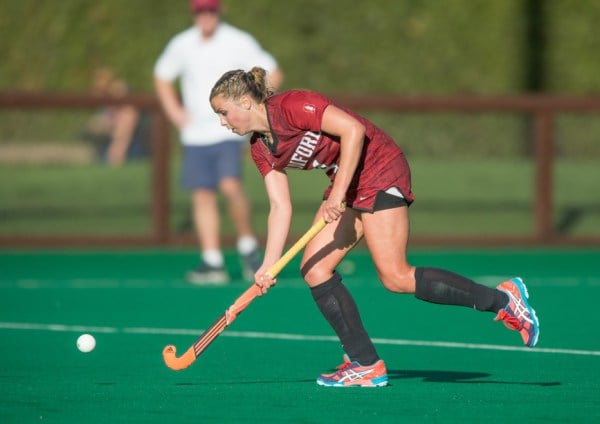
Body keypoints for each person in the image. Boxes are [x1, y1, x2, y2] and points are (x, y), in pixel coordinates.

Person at [209, 67, 541, 387]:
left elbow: (353, 130)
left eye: (224, 112)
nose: (222, 122)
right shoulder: (260, 149)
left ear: (246, 103)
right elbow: (280, 206)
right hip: (350, 184)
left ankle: (503, 300)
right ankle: (365, 364)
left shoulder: (293, 105)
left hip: (380, 169)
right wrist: (269, 265)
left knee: (395, 277)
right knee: (314, 269)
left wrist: (337, 194)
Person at [154, 0, 283, 285]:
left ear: (219, 12)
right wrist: (174, 111)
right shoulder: (182, 44)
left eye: (210, 10)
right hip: (195, 135)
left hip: (228, 132)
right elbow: (162, 76)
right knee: (202, 193)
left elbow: (272, 70)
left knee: (229, 185)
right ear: (194, 14)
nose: (206, 16)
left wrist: (254, 110)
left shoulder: (238, 40)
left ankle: (248, 246)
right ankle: (212, 260)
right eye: (201, 11)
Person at [81, 67, 150, 166]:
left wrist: (116, 153)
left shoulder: (124, 100)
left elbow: (125, 128)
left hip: (135, 146)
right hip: (115, 142)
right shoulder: (108, 103)